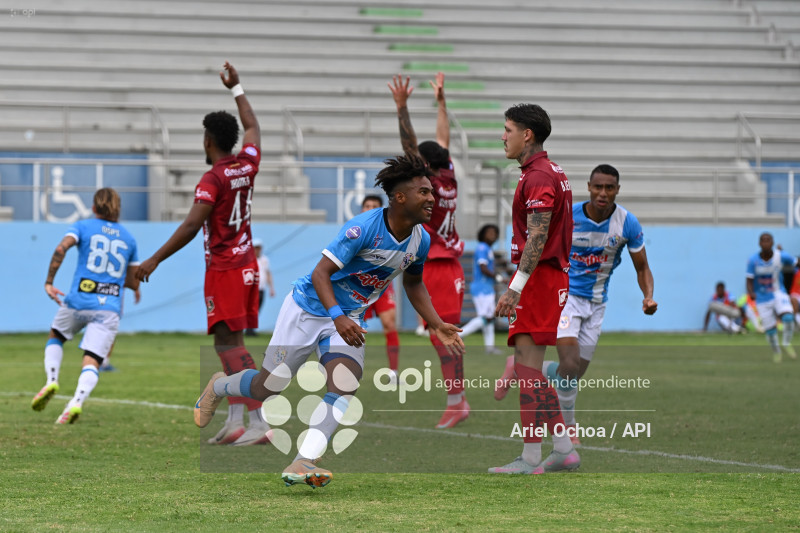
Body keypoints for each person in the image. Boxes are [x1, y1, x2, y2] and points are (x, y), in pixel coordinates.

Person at [192, 154, 465, 488]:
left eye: (431, 192)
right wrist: (336, 316)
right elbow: (321, 273)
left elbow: (412, 282)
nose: (431, 198)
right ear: (400, 198)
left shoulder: (420, 240)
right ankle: (220, 385)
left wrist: (436, 322)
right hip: (307, 309)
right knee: (269, 387)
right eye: (423, 192)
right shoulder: (362, 229)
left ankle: (303, 459)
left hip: (347, 318)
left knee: (345, 384)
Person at [136, 62, 268, 446]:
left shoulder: (213, 179)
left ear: (209, 141)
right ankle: (235, 420)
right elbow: (255, 129)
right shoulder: (247, 163)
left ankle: (259, 422)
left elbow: (192, 226)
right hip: (248, 264)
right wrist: (237, 87)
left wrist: (153, 260)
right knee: (230, 342)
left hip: (226, 267)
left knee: (230, 345)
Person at [527, 164, 657, 447]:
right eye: (598, 187)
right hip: (566, 298)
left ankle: (522, 368)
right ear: (588, 187)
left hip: (597, 303)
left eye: (609, 188)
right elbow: (539, 248)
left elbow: (643, 267)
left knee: (573, 373)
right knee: (570, 365)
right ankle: (568, 429)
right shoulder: (568, 217)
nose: (603, 193)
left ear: (617, 190)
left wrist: (647, 296)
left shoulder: (627, 223)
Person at [488, 103, 579, 475]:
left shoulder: (539, 176)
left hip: (540, 279)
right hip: (545, 278)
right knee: (528, 368)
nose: (502, 136)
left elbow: (538, 237)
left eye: (508, 129)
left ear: (527, 135)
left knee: (528, 368)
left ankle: (540, 454)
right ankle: (556, 449)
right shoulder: (548, 171)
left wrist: (515, 287)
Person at [389, 72, 468, 429]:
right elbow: (442, 138)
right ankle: (457, 400)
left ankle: (457, 401)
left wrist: (402, 108)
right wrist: (440, 101)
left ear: (427, 168)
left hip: (440, 264)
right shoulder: (448, 175)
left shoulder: (430, 185)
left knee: (445, 335)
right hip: (439, 264)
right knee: (442, 336)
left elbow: (412, 146)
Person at [32, 188, 140, 424]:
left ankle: (51, 380)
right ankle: (76, 402)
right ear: (118, 208)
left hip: (78, 300)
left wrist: (49, 282)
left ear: (93, 208)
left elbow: (61, 248)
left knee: (56, 335)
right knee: (92, 358)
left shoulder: (83, 227)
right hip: (109, 307)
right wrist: (135, 287)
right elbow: (132, 280)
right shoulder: (129, 239)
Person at [360, 195, 401, 377]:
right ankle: (349, 368)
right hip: (359, 286)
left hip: (382, 285)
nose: (370, 209)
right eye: (367, 206)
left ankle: (393, 371)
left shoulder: (390, 232)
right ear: (361, 209)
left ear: (381, 210)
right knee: (356, 328)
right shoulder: (355, 231)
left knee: (389, 324)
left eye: (374, 206)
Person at [746, 232, 797, 362]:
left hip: (778, 293)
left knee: (788, 317)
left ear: (772, 243)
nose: (766, 243)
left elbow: (796, 262)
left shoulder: (780, 256)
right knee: (770, 330)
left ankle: (786, 343)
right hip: (762, 298)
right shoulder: (753, 260)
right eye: (763, 240)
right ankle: (777, 352)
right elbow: (749, 280)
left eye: (768, 240)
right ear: (759, 243)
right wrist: (751, 292)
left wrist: (785, 252)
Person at [459, 224, 505, 354]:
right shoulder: (482, 248)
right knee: (486, 317)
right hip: (481, 287)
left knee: (489, 317)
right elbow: (483, 268)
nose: (492, 235)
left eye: (495, 233)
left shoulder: (487, 249)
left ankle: (490, 347)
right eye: (489, 232)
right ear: (482, 234)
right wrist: (500, 278)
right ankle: (458, 336)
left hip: (486, 287)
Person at [246, 238, 275, 337]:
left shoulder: (264, 260)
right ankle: (249, 330)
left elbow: (268, 273)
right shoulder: (248, 259)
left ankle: (251, 329)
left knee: (258, 309)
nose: (257, 250)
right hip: (251, 289)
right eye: (255, 248)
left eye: (259, 248)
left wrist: (271, 288)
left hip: (261, 289)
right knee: (250, 309)